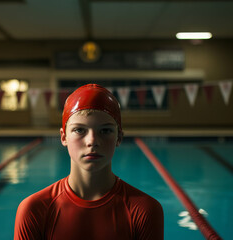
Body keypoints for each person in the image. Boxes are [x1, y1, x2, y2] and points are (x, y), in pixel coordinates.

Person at [14, 84, 164, 240]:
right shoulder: (35, 209)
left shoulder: (144, 210)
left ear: (119, 137)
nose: (92, 141)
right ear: (64, 137)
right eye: (79, 130)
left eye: (105, 131)